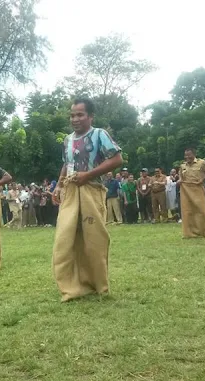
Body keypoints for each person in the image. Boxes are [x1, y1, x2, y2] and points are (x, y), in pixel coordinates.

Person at [52, 97, 123, 301]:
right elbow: (67, 163)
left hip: (92, 190)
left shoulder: (99, 134)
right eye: (72, 115)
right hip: (71, 191)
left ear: (90, 116)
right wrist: (59, 184)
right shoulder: (67, 140)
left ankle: (98, 285)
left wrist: (88, 175)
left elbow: (117, 159)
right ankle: (72, 287)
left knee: (93, 239)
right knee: (66, 238)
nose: (75, 119)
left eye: (80, 114)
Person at [178, 148, 205, 238]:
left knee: (201, 210)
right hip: (186, 191)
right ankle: (189, 233)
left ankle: (204, 232)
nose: (187, 157)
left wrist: (202, 179)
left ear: (194, 154)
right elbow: (181, 177)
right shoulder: (183, 166)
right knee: (187, 211)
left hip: (198, 189)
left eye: (189, 155)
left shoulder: (201, 163)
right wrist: (179, 181)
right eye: (185, 155)